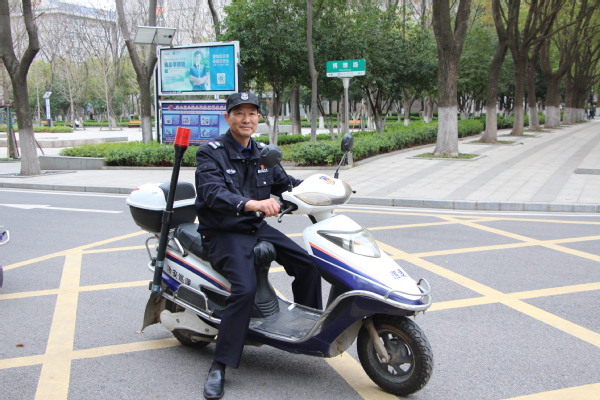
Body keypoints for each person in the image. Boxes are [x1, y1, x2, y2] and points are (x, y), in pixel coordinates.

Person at [194, 92, 322, 399]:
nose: (246, 119)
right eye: (239, 113)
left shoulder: (263, 153)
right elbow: (213, 193)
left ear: (258, 118)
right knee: (244, 290)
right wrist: (254, 204)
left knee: (308, 264)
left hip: (255, 227)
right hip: (224, 232)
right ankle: (219, 365)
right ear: (228, 117)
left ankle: (305, 330)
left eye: (252, 113)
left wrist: (322, 187)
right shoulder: (210, 153)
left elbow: (286, 184)